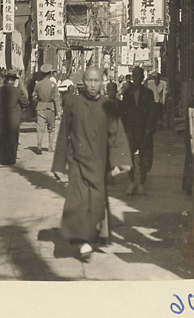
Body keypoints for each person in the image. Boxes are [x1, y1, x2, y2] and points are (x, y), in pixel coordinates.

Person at [52, 67, 131, 262]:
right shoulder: (73, 104)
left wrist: (121, 161)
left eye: (97, 81)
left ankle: (89, 238)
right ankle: (82, 242)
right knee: (76, 203)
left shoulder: (109, 105)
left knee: (96, 205)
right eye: (89, 81)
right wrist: (58, 166)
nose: (93, 85)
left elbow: (116, 133)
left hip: (99, 164)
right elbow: (63, 134)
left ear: (102, 82)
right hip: (77, 162)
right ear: (83, 82)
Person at [122, 66, 155, 196]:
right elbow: (123, 113)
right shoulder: (127, 93)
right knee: (128, 156)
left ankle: (142, 183)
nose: (136, 78)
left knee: (145, 156)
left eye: (138, 75)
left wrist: (149, 129)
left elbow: (152, 113)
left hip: (144, 129)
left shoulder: (148, 94)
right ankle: (131, 182)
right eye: (134, 75)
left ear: (142, 77)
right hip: (130, 128)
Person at [0, 69, 29, 165]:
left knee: (3, 137)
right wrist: (20, 108)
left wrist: (2, 109)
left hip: (3, 117)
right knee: (13, 138)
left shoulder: (0, 90)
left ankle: (3, 158)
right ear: (14, 80)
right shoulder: (18, 91)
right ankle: (11, 158)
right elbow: (26, 102)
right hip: (14, 119)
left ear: (6, 79)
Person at [32, 63, 61, 154]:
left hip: (40, 107)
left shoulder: (38, 84)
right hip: (51, 108)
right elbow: (56, 98)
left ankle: (39, 145)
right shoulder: (53, 85)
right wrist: (59, 111)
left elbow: (33, 96)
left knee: (40, 128)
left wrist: (36, 102)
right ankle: (50, 147)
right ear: (50, 74)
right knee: (51, 129)